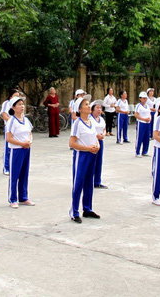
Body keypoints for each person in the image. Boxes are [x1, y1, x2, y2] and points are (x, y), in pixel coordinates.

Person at [69, 94, 100, 223]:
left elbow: (95, 138)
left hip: (92, 154)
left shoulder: (91, 122)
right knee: (78, 183)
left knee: (88, 182)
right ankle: (74, 211)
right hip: (81, 155)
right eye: (86, 104)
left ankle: (87, 209)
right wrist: (87, 148)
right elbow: (72, 143)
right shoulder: (77, 123)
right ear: (80, 109)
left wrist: (97, 146)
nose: (89, 106)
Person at [5, 96, 35, 208]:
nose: (22, 106)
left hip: (26, 149)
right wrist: (22, 144)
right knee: (14, 174)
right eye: (19, 104)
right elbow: (8, 138)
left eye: (22, 104)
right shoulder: (12, 121)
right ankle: (13, 198)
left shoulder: (26, 120)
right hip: (16, 150)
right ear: (13, 107)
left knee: (24, 173)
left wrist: (29, 142)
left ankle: (23, 197)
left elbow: (30, 133)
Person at [0, 89, 20, 175]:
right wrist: (12, 123)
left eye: (18, 96)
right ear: (11, 96)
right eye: (15, 96)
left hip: (17, 129)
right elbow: (4, 115)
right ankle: (6, 167)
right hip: (9, 128)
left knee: (16, 148)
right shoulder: (6, 103)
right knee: (7, 148)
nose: (17, 98)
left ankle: (14, 167)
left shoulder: (18, 104)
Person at [89, 99, 107, 189]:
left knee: (99, 161)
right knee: (92, 161)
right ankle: (89, 181)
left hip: (100, 141)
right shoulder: (90, 119)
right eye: (97, 108)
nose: (99, 110)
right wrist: (97, 135)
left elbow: (104, 129)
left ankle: (97, 181)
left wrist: (103, 135)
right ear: (92, 109)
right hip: (92, 141)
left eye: (100, 108)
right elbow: (89, 129)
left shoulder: (101, 119)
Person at [134, 91, 152, 158]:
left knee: (147, 137)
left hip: (147, 123)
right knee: (140, 137)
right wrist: (143, 119)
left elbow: (149, 113)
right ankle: (137, 151)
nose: (144, 100)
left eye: (145, 98)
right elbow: (136, 115)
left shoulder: (147, 106)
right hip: (141, 123)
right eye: (143, 98)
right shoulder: (138, 106)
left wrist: (149, 118)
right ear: (140, 99)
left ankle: (145, 151)